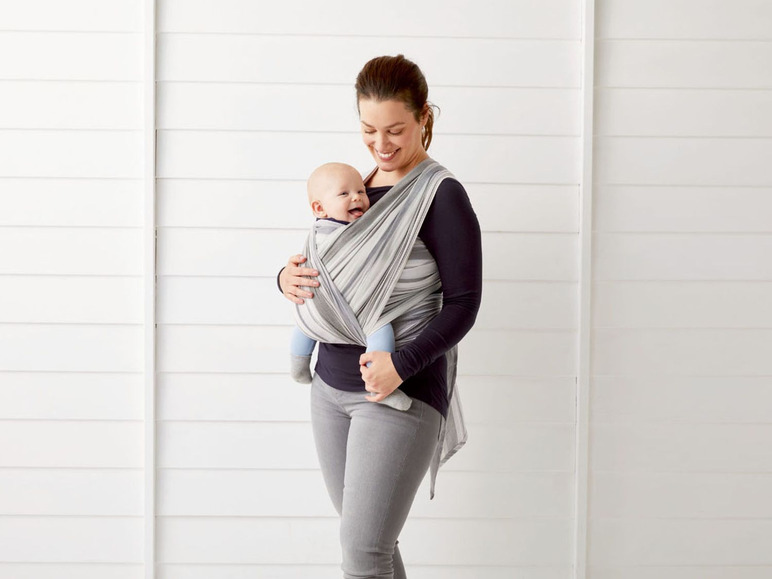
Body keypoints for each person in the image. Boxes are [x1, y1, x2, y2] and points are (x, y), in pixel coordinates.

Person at [277, 54, 482, 579]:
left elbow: (464, 305)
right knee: (371, 546)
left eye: (395, 130)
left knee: (364, 552)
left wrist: (401, 364)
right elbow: (332, 260)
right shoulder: (356, 187)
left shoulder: (440, 196)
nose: (381, 144)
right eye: (369, 130)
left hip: (399, 392)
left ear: (423, 117)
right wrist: (285, 278)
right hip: (329, 386)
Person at [288, 162, 411, 411]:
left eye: (361, 192)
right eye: (344, 194)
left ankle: (299, 367)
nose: (357, 197)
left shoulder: (323, 231)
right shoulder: (335, 235)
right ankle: (376, 384)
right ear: (319, 208)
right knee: (381, 329)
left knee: (306, 325)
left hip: (334, 302)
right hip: (331, 300)